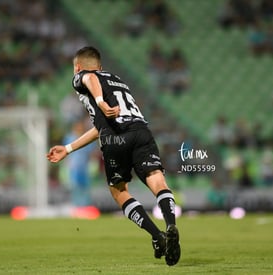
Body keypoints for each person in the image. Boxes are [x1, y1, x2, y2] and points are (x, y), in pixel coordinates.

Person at [46, 46, 181, 266]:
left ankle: (158, 237)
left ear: (77, 67)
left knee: (119, 191)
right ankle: (171, 225)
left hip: (116, 137)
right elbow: (102, 124)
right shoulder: (117, 80)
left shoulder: (84, 77)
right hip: (141, 131)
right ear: (101, 66)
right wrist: (68, 149)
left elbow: (89, 78)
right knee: (157, 179)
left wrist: (99, 101)